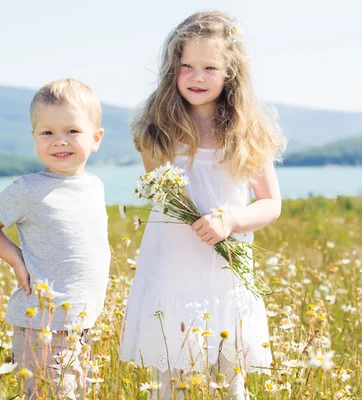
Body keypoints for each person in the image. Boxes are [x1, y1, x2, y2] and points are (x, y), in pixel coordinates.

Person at [120, 11, 286, 400]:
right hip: (173, 270)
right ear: (171, 69)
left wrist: (232, 219)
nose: (197, 76)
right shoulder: (159, 131)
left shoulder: (246, 131)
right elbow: (163, 195)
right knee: (172, 382)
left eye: (210, 67)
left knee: (231, 383)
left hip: (223, 273)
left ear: (231, 73)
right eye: (187, 66)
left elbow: (271, 204)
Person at [0, 78, 110, 399]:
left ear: (96, 138)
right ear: (34, 137)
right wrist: (17, 260)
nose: (59, 141)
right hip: (43, 326)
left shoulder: (95, 186)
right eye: (47, 133)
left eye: (72, 131)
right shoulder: (28, 189)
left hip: (81, 324)